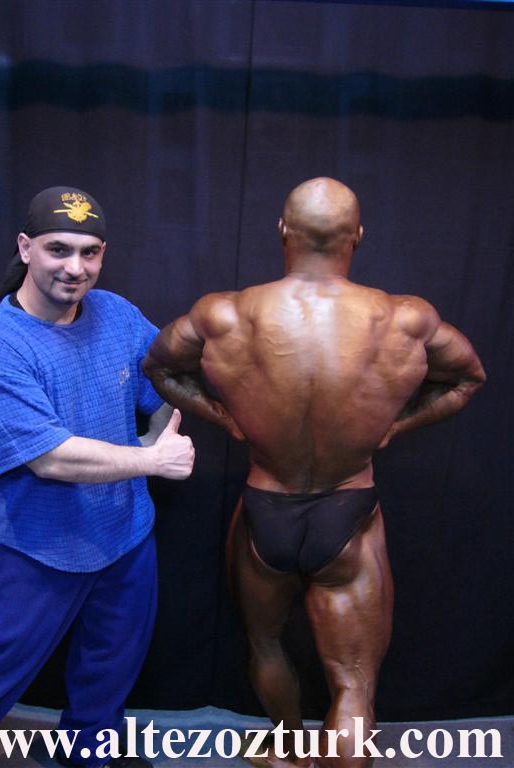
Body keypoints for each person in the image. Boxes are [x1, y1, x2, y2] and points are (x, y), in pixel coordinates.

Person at [142, 178, 486, 768]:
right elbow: (468, 377)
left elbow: (161, 367)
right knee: (353, 683)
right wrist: (397, 425)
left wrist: (224, 417)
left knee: (265, 645)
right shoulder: (405, 320)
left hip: (264, 510)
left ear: (283, 231)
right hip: (347, 511)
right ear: (358, 235)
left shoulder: (224, 314)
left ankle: (286, 747)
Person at [0, 186, 194, 768]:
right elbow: (50, 458)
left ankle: (88, 757)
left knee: (109, 671)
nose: (75, 268)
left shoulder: (116, 313)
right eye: (59, 249)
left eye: (90, 252)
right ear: (25, 247)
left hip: (125, 536)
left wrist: (165, 425)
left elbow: (163, 384)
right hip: (38, 550)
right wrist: (153, 460)